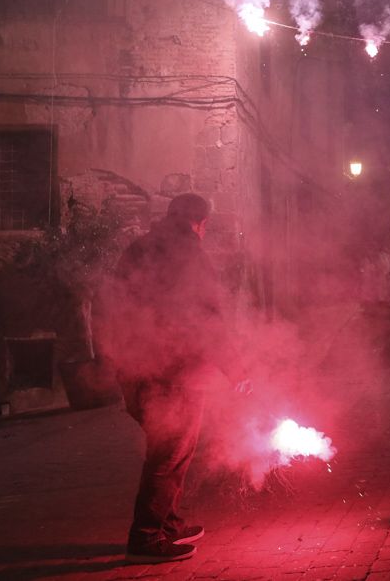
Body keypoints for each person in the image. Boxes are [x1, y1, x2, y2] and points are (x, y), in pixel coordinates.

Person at [100, 193, 245, 564]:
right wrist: (235, 369)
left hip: (136, 368)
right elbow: (208, 319)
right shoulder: (191, 256)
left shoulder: (139, 247)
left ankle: (169, 522)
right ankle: (147, 536)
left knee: (171, 451)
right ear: (202, 223)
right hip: (172, 372)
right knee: (169, 453)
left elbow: (114, 303)